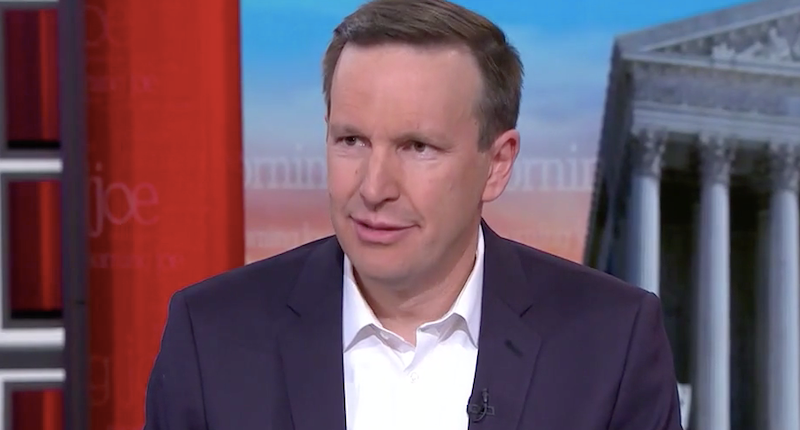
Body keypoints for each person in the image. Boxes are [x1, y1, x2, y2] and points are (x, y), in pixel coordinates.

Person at [144, 0, 683, 429]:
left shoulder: (612, 343)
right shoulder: (211, 336)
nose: (374, 188)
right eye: (351, 140)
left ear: (497, 164)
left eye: (417, 147)